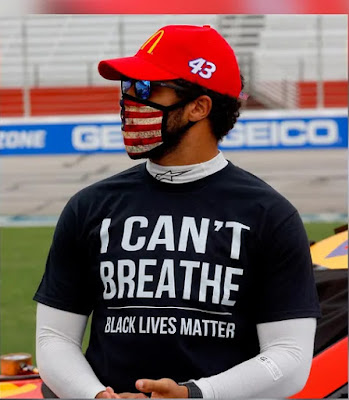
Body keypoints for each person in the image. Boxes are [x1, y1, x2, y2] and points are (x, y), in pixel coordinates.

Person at [34, 24, 321, 399]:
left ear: (199, 107)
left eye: (146, 89)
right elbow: (54, 337)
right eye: (128, 88)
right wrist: (97, 397)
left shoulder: (269, 214)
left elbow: (290, 358)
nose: (129, 102)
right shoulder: (89, 206)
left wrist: (194, 395)